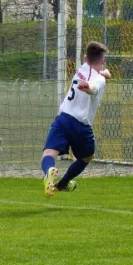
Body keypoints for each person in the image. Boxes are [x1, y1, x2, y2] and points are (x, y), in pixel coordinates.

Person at [41, 41, 111, 197]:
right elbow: (94, 86)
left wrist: (105, 73)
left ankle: (48, 173)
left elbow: (101, 73)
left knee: (49, 154)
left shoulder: (81, 68)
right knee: (86, 157)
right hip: (81, 126)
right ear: (102, 61)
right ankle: (63, 184)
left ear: (85, 58)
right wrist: (89, 88)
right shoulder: (99, 80)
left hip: (63, 119)